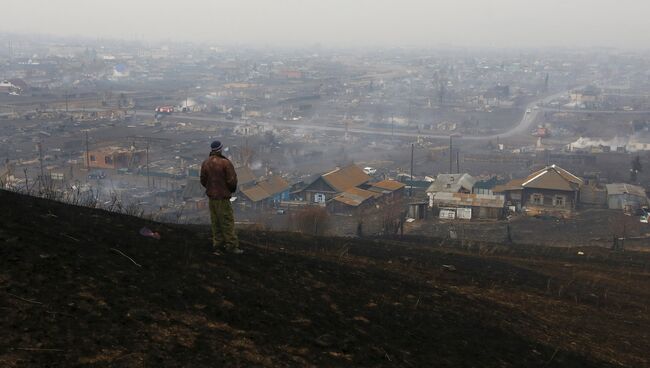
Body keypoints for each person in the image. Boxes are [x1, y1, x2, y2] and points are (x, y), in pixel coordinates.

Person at [200, 140, 243, 254]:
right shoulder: (225, 163)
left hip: (212, 198)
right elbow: (232, 181)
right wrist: (230, 190)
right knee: (227, 221)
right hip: (223, 198)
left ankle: (218, 246)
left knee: (216, 222)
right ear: (220, 149)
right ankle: (231, 246)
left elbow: (203, 180)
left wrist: (210, 188)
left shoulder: (206, 163)